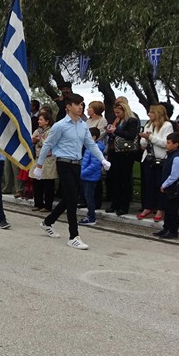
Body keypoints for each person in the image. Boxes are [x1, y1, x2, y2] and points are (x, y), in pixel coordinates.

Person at [34, 93, 111, 250]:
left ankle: (47, 222)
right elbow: (47, 145)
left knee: (71, 197)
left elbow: (91, 144)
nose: (80, 107)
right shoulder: (60, 126)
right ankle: (73, 236)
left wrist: (102, 159)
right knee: (72, 200)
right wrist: (39, 166)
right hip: (63, 163)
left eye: (82, 104)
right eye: (77, 104)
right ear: (68, 107)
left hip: (77, 164)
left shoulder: (83, 125)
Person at [137, 104, 173, 222]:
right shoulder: (148, 125)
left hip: (161, 159)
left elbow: (165, 143)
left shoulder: (167, 126)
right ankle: (148, 206)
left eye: (151, 112)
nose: (149, 114)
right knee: (149, 184)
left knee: (160, 185)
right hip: (148, 158)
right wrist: (144, 138)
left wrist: (151, 138)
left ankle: (160, 209)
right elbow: (143, 145)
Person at [105, 97, 140, 216]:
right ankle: (115, 203)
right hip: (116, 151)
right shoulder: (118, 120)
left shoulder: (131, 120)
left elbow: (130, 135)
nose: (117, 115)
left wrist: (115, 131)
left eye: (118, 112)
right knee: (116, 178)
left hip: (126, 152)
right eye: (115, 113)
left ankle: (124, 205)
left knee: (125, 179)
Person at [154, 133, 179, 239]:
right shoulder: (170, 155)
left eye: (169, 143)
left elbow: (174, 175)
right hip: (168, 187)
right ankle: (166, 228)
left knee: (172, 210)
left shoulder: (177, 158)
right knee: (167, 208)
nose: (167, 145)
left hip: (173, 187)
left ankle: (173, 231)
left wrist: (165, 184)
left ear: (176, 144)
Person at [31, 110, 56, 212]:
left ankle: (48, 205)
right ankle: (38, 203)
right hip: (38, 158)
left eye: (41, 120)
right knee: (37, 182)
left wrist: (40, 139)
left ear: (47, 121)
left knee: (48, 182)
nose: (38, 121)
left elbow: (50, 144)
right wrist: (34, 140)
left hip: (48, 159)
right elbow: (31, 141)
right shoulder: (37, 131)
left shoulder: (52, 131)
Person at [79, 127, 105, 226]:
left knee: (89, 197)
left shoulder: (95, 148)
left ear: (93, 137)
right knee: (88, 196)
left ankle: (91, 217)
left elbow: (95, 165)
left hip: (90, 177)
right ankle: (90, 215)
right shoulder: (89, 147)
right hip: (86, 176)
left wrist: (82, 173)